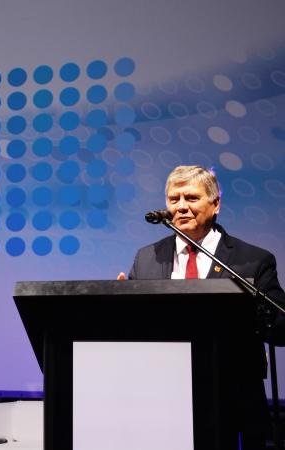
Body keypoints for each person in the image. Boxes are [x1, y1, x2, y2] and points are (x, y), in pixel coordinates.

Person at [118, 165, 285, 449]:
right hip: (162, 397)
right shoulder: (147, 258)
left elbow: (280, 328)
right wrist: (118, 304)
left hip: (232, 400)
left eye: (191, 198)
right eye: (174, 199)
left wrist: (252, 309)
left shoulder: (253, 260)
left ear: (215, 204)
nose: (181, 206)